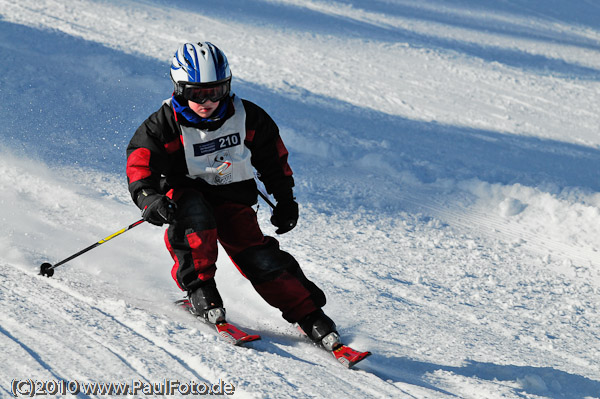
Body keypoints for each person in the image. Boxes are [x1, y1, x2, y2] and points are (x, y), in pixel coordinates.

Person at [126, 42, 341, 351]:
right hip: (185, 195)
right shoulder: (164, 124)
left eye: (216, 90)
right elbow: (140, 162)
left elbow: (273, 159)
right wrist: (149, 198)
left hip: (233, 195)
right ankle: (202, 291)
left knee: (258, 254)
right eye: (196, 92)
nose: (207, 101)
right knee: (196, 220)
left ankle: (309, 314)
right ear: (178, 88)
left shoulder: (247, 116)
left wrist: (285, 200)